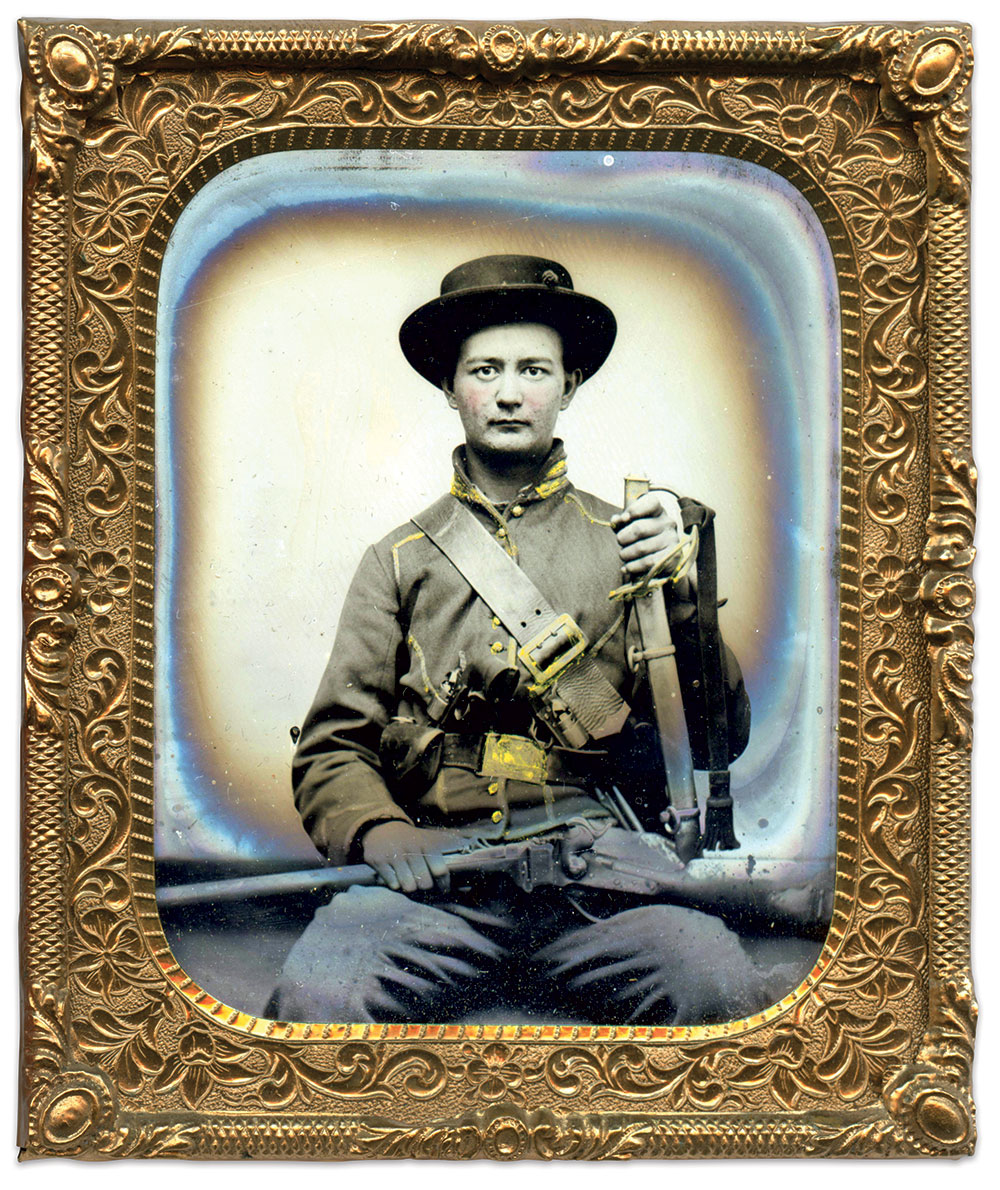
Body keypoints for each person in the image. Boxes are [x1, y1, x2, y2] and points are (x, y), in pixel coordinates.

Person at [275, 254, 791, 1025]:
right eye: (485, 369)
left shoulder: (633, 542)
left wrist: (683, 597)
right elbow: (332, 747)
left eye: (534, 369)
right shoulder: (397, 562)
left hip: (604, 888)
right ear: (450, 388)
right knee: (321, 995)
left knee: (714, 990)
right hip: (442, 886)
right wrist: (377, 830)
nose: (510, 392)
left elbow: (727, 737)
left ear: (570, 386)